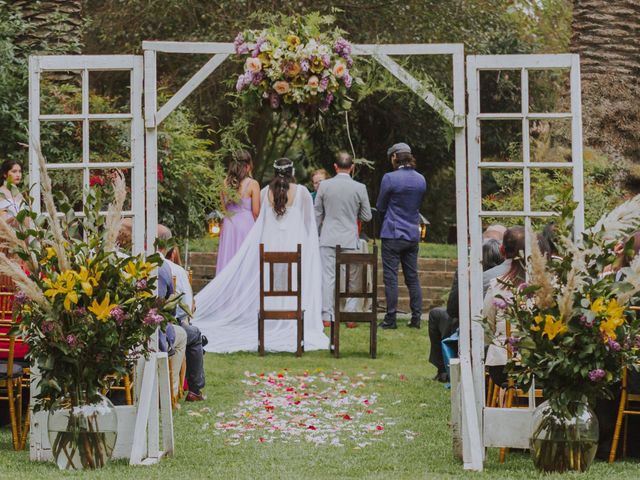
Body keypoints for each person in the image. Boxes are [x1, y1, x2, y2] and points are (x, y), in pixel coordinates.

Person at [193, 158, 329, 353]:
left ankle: (270, 315)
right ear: (292, 172)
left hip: (271, 245)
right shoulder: (302, 192)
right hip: (295, 245)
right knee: (293, 280)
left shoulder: (266, 192)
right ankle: (291, 314)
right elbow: (309, 223)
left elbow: (261, 222)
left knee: (269, 280)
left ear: (274, 173)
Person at [428, 237, 504, 382]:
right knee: (437, 314)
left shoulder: (479, 277)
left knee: (447, 316)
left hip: (476, 326)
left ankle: (445, 368)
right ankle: (444, 367)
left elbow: (453, 309)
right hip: (481, 324)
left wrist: (467, 278)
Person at [314, 153, 372, 326]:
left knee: (328, 277)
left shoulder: (324, 186)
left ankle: (327, 316)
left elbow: (317, 213)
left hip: (328, 237)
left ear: (335, 166)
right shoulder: (360, 187)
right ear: (352, 167)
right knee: (352, 278)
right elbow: (367, 216)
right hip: (349, 238)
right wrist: (355, 214)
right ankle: (351, 315)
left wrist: (316, 234)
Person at [377, 143, 427, 329]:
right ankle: (416, 318)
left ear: (394, 157)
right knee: (412, 277)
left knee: (390, 277)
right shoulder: (421, 179)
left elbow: (381, 206)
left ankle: (390, 319)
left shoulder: (389, 178)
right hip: (412, 233)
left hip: (393, 232)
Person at [158, 225, 206, 401]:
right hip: (164, 328)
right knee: (194, 334)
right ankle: (194, 389)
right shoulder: (172, 269)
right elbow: (186, 307)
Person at [216, 150, 260, 274]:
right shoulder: (252, 184)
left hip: (229, 225)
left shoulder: (224, 183)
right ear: (248, 165)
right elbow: (256, 212)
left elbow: (223, 209)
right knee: (245, 259)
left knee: (228, 257)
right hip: (246, 226)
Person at [0, 160, 25, 226]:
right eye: (14, 171)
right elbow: (2, 222)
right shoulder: (1, 193)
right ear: (5, 174)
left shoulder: (19, 193)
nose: (18, 175)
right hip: (7, 234)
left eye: (20, 171)